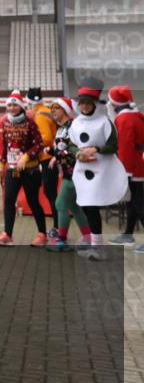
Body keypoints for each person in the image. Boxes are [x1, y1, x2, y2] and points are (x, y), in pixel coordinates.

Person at [70, 79, 127, 261]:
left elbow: (113, 146)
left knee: (92, 207)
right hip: (82, 170)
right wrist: (77, 153)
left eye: (88, 103)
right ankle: (95, 244)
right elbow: (70, 144)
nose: (85, 107)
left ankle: (97, 247)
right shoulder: (76, 123)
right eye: (82, 103)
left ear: (94, 104)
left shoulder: (104, 122)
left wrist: (96, 149)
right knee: (86, 207)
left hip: (100, 171)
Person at [0, 90, 47, 247]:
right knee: (9, 200)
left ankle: (42, 234)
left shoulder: (30, 122)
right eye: (9, 105)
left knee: (33, 201)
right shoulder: (5, 122)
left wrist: (26, 156)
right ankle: (7, 234)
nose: (11, 108)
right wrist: (2, 161)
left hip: (30, 169)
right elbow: (4, 143)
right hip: (12, 169)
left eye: (14, 105)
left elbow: (39, 144)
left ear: (21, 106)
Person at [44, 97, 91, 252]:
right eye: (52, 109)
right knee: (74, 206)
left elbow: (73, 148)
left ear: (65, 110)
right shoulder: (60, 128)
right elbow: (62, 149)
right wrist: (54, 155)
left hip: (75, 171)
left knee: (60, 204)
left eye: (56, 108)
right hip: (67, 171)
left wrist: (56, 154)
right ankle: (87, 237)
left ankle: (62, 239)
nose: (53, 112)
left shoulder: (73, 126)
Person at [106, 86, 144, 253]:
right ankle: (128, 233)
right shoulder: (135, 115)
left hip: (133, 166)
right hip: (138, 164)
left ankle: (128, 234)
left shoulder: (124, 120)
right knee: (133, 201)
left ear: (114, 102)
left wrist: (125, 172)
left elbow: (126, 147)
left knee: (138, 202)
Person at [27, 87, 60, 236]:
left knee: (51, 193)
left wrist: (34, 145)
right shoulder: (47, 110)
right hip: (53, 155)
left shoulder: (40, 115)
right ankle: (58, 226)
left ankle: (57, 228)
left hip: (47, 158)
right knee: (52, 193)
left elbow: (45, 138)